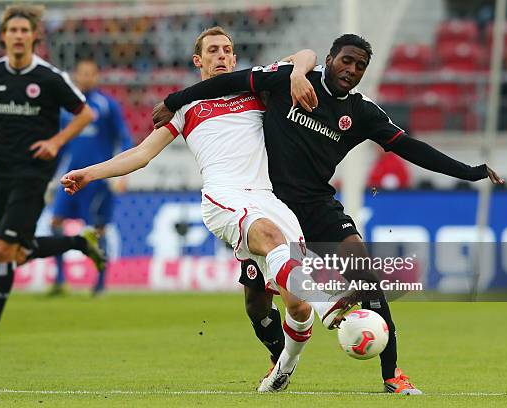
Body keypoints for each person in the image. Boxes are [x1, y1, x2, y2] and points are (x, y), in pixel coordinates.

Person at [152, 33, 505, 394]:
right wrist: (175, 100)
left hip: (317, 205)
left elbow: (411, 148)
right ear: (330, 58)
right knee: (257, 306)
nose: (351, 70)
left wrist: (471, 172)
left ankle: (392, 375)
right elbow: (232, 80)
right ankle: (280, 360)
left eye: (360, 66)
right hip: (265, 204)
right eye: (346, 61)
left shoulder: (361, 111)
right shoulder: (291, 79)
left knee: (365, 274)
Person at [61, 26, 359, 393]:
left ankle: (283, 368)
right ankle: (327, 300)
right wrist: (89, 174)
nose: (221, 55)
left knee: (296, 308)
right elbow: (140, 155)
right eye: (213, 50)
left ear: (234, 59)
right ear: (198, 60)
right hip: (224, 196)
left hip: (268, 197)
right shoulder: (186, 108)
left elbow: (306, 55)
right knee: (271, 239)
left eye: (227, 50)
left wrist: (296, 73)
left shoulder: (256, 90)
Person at [0, 4, 105, 347]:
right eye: (13, 31)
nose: (19, 36)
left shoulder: (49, 77)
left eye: (25, 31)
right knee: (17, 253)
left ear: (34, 37)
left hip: (33, 173)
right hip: (1, 171)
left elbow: (86, 114)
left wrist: (55, 142)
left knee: (1, 250)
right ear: (3, 37)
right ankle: (80, 243)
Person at [48, 59, 134, 296]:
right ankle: (60, 279)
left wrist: (123, 173)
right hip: (70, 179)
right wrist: (49, 177)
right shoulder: (67, 107)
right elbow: (61, 145)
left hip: (97, 180)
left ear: (96, 77)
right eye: (82, 73)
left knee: (97, 230)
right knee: (55, 222)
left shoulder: (107, 105)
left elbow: (125, 139)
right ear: (76, 76)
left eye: (90, 73)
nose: (85, 77)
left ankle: (99, 284)